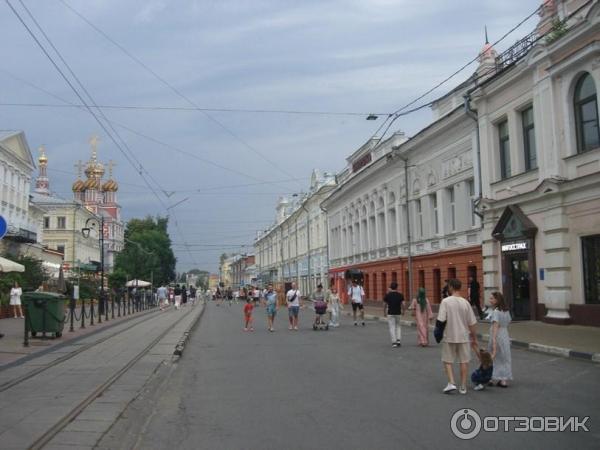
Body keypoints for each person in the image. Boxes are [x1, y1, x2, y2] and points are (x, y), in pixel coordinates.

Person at [437, 278, 479, 395]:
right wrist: (474, 337)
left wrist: (438, 333)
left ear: (450, 287)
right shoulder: (465, 302)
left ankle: (451, 382)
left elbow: (441, 319)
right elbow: (472, 323)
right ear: (460, 287)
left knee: (447, 360)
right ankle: (463, 386)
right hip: (464, 336)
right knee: (464, 361)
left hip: (449, 335)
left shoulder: (445, 302)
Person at [488, 291, 512, 388]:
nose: (490, 300)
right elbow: (508, 322)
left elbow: (495, 326)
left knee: (493, 357)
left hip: (497, 335)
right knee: (504, 357)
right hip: (505, 335)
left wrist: (493, 340)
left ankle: (491, 378)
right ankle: (503, 380)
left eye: (492, 298)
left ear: (497, 300)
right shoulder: (506, 311)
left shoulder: (496, 312)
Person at [383, 282, 404, 347]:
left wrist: (384, 311)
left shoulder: (387, 295)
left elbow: (384, 304)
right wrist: (403, 310)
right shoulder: (400, 295)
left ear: (391, 287)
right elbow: (403, 304)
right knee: (398, 326)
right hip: (398, 313)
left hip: (390, 313)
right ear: (396, 287)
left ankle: (394, 342)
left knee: (392, 327)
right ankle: (398, 340)